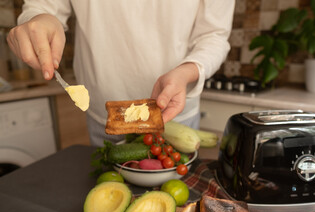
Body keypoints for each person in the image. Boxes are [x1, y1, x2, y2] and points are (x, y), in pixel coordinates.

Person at [7, 1, 235, 146]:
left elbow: (214, 35)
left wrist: (186, 72)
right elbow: (42, 7)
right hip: (103, 117)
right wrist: (37, 19)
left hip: (173, 118)